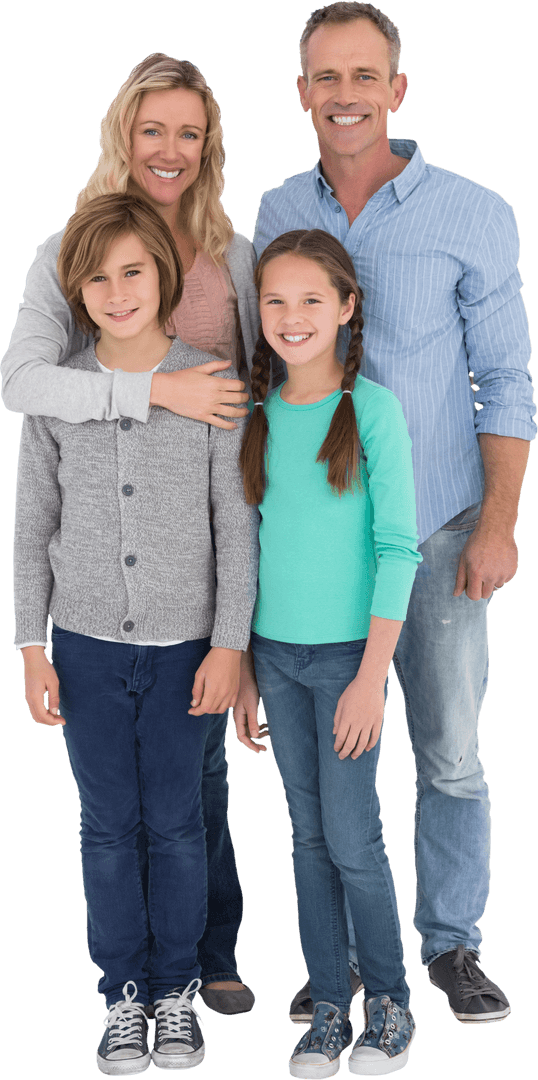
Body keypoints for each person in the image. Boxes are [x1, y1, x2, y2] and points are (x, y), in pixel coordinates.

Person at [252, 2, 535, 1026]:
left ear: (395, 90)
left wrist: (498, 524)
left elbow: (506, 379)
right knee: (332, 765)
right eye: (324, 77)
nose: (343, 95)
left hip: (447, 531)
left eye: (362, 75)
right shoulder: (278, 207)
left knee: (449, 750)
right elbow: (265, 367)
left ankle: (452, 945)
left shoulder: (473, 211)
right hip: (328, 555)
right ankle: (344, 957)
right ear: (301, 91)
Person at [2, 51, 283, 1015]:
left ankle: (206, 951)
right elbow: (24, 387)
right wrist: (153, 389)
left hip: (206, 551)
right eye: (151, 128)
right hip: (98, 590)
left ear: (208, 149)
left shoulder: (235, 256)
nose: (169, 148)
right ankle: (145, 974)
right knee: (142, 798)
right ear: (123, 132)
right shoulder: (65, 253)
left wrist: (240, 622)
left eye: (189, 133)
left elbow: (259, 390)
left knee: (197, 774)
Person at [234, 228, 421, 1076]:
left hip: (350, 661)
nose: (292, 315)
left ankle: (390, 1001)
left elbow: (398, 550)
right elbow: (243, 550)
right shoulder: (257, 417)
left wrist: (372, 680)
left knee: (354, 840)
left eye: (312, 298)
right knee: (307, 838)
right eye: (275, 299)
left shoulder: (373, 412)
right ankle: (328, 1005)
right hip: (275, 658)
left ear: (347, 308)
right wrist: (240, 668)